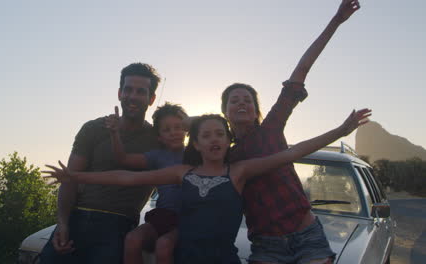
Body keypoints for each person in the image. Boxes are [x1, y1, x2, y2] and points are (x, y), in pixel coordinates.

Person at [44, 109, 371, 264]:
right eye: (206, 135)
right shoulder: (182, 172)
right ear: (196, 143)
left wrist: (340, 129)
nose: (214, 139)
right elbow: (128, 177)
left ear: (228, 141)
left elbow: (293, 152)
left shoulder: (239, 172)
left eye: (220, 134)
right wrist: (77, 177)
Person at [220, 1, 361, 263]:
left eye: (247, 99)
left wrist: (336, 21)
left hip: (307, 235)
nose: (242, 103)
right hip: (265, 244)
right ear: (225, 112)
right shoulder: (225, 157)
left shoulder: (271, 129)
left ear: (256, 110)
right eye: (234, 100)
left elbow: (302, 69)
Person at [39, 62, 161, 264]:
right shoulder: (93, 129)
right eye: (128, 89)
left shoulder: (158, 139)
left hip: (118, 225)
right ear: (119, 93)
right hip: (78, 218)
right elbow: (70, 180)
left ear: (151, 99)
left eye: (141, 92)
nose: (132, 96)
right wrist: (62, 224)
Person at [105, 102, 188, 264]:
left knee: (164, 246)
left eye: (178, 127)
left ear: (186, 128)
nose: (174, 133)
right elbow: (123, 159)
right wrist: (115, 133)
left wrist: (189, 122)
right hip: (162, 216)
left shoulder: (196, 153)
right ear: (159, 137)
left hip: (186, 219)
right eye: (167, 130)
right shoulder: (156, 156)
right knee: (132, 239)